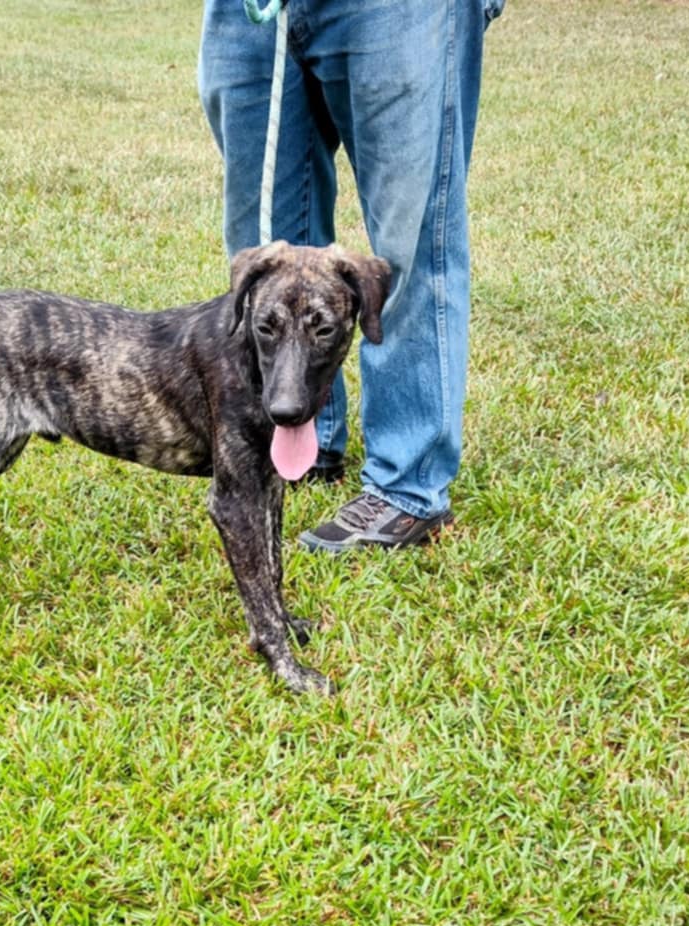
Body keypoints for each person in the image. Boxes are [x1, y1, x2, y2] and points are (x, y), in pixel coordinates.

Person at [198, 0, 498, 552]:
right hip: (250, 11)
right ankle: (310, 438)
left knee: (410, 242)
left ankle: (407, 489)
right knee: (260, 241)